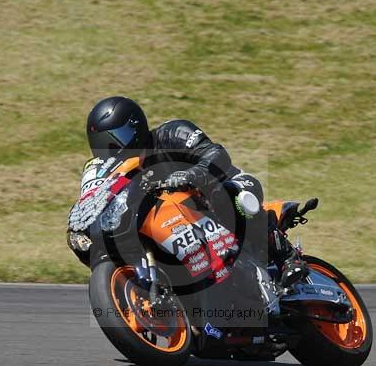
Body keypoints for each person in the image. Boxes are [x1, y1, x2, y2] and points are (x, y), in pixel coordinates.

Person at [85, 95, 307, 287]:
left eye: (114, 142)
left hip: (229, 185)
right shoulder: (125, 175)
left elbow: (217, 154)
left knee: (232, 195)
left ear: (135, 127)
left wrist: (193, 174)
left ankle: (287, 257)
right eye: (101, 146)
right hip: (184, 221)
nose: (110, 152)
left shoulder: (171, 133)